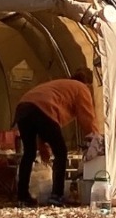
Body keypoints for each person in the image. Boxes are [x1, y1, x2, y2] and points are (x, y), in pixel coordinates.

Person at [14, 75, 101, 207]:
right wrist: (95, 137)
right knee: (61, 152)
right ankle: (56, 195)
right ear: (88, 84)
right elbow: (87, 117)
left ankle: (22, 196)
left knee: (29, 153)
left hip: (22, 108)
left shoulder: (62, 86)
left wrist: (42, 145)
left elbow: (42, 121)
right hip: (42, 109)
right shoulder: (82, 88)